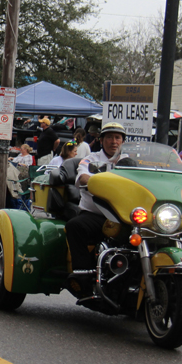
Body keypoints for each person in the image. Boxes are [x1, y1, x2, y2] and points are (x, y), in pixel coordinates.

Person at [64, 122, 126, 291]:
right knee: (75, 226)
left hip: (124, 216)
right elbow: (83, 177)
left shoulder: (129, 162)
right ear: (102, 139)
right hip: (97, 214)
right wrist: (98, 182)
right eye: (110, 137)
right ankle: (82, 277)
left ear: (122, 141)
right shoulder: (91, 160)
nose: (114, 141)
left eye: (117, 138)